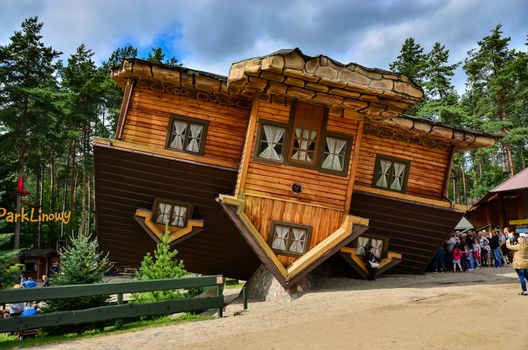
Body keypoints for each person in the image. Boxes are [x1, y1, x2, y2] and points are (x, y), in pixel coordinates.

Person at [506, 231, 528, 295]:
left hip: (518, 264)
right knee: (526, 275)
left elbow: (508, 246)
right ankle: (524, 290)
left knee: (521, 277)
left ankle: (524, 290)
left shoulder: (518, 246)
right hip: (526, 263)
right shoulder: (526, 246)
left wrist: (508, 239)